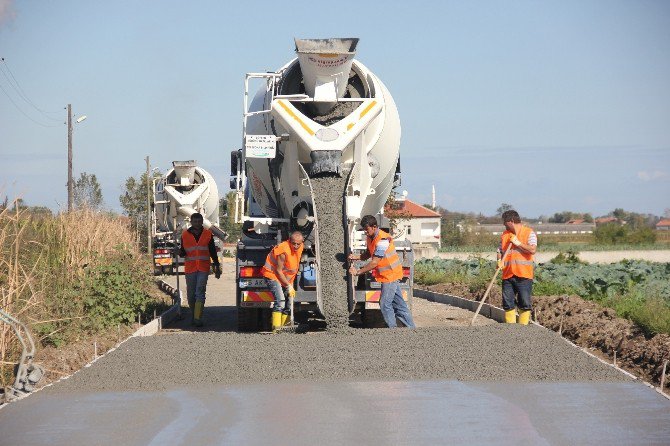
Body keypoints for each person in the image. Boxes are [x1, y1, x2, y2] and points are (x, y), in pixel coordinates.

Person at [348, 215, 415, 329]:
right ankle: (412, 330)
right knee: (400, 305)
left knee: (384, 304)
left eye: (367, 229)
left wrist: (358, 272)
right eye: (364, 229)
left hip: (391, 275)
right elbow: (369, 253)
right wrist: (356, 256)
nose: (365, 231)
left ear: (374, 227)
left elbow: (374, 262)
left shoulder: (383, 239)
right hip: (387, 275)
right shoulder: (370, 237)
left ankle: (392, 330)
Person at [179, 212, 221, 327]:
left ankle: (198, 318)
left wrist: (216, 265)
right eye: (195, 221)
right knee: (191, 295)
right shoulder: (184, 235)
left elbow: (212, 251)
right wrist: (178, 252)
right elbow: (183, 252)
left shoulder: (208, 234)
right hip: (190, 268)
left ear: (202, 222)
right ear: (191, 222)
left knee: (200, 292)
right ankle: (194, 314)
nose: (197, 223)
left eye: (199, 221)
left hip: (203, 268)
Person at [497, 209, 537, 325]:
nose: (504, 225)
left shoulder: (529, 233)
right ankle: (511, 329)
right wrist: (499, 259)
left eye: (505, 222)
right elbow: (499, 250)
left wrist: (518, 243)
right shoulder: (505, 235)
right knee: (507, 302)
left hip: (523, 274)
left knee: (524, 302)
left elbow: (532, 249)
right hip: (508, 274)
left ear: (511, 221)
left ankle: (522, 328)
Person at [261, 231, 304, 330]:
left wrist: (290, 283)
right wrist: (288, 286)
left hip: (286, 278)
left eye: (298, 244)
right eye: (294, 243)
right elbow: (278, 271)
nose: (296, 246)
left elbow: (292, 266)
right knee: (280, 301)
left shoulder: (301, 246)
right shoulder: (283, 251)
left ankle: (286, 328)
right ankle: (276, 329)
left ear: (302, 242)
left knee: (289, 303)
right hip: (272, 275)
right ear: (290, 241)